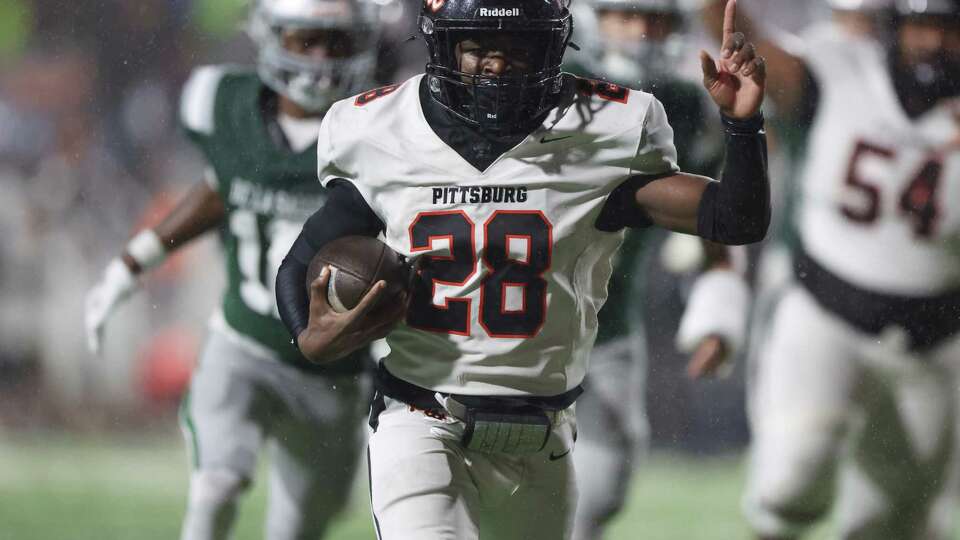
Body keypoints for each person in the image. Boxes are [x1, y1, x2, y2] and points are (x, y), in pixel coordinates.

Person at [276, 0, 769, 538]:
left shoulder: (606, 131)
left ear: (553, 46)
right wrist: (308, 335)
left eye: (517, 48)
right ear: (442, 44)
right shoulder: (381, 132)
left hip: (542, 438)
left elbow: (735, 220)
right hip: (420, 420)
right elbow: (301, 260)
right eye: (477, 47)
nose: (495, 65)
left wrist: (743, 127)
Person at [83, 1, 381, 538]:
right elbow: (219, 190)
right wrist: (128, 267)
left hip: (336, 373)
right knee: (215, 487)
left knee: (298, 527)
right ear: (269, 37)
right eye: (303, 40)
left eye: (335, 42)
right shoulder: (225, 104)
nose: (319, 58)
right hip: (242, 344)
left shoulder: (380, 128)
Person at [701, 0, 960, 537]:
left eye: (950, 29)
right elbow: (750, 54)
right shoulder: (840, 69)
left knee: (894, 521)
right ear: (895, 28)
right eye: (923, 28)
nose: (935, 44)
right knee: (790, 483)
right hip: (826, 315)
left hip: (938, 340)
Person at [563, 1, 751, 538]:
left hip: (608, 328)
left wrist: (718, 313)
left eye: (659, 19)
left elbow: (719, 222)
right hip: (508, 323)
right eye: (627, 16)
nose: (644, 32)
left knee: (600, 488)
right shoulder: (549, 89)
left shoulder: (688, 105)